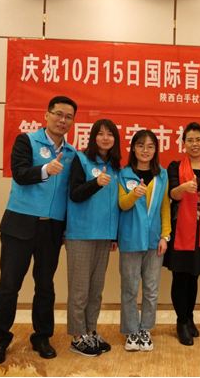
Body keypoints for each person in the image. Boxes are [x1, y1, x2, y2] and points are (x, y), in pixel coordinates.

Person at [0, 96, 78, 364]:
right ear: (47, 115)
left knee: (45, 285)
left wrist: (67, 228)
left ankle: (41, 337)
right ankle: (0, 340)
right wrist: (45, 170)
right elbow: (19, 173)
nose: (62, 120)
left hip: (52, 228)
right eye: (58, 114)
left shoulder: (72, 153)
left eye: (68, 117)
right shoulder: (26, 141)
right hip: (20, 224)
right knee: (9, 285)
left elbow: (70, 194)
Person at [65, 119, 121, 357]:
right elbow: (75, 194)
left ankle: (90, 331)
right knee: (79, 290)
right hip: (81, 234)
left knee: (96, 290)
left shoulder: (115, 167)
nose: (106, 138)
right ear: (93, 137)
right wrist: (96, 183)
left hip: (104, 235)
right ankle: (77, 337)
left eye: (110, 134)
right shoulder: (81, 159)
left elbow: (115, 204)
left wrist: (114, 235)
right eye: (101, 133)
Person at [163, 122, 200, 346]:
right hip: (181, 230)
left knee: (194, 276)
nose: (194, 144)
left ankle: (190, 317)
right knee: (180, 277)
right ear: (183, 144)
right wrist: (184, 188)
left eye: (198, 139)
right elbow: (172, 195)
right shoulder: (175, 166)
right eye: (190, 140)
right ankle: (181, 322)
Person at [118, 130, 171, 352]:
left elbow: (165, 206)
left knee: (151, 289)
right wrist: (134, 194)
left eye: (150, 146)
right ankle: (131, 331)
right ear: (133, 148)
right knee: (129, 288)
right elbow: (122, 204)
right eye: (140, 145)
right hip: (130, 239)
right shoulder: (124, 174)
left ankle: (145, 330)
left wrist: (165, 235)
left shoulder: (162, 175)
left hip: (154, 240)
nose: (145, 150)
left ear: (156, 149)